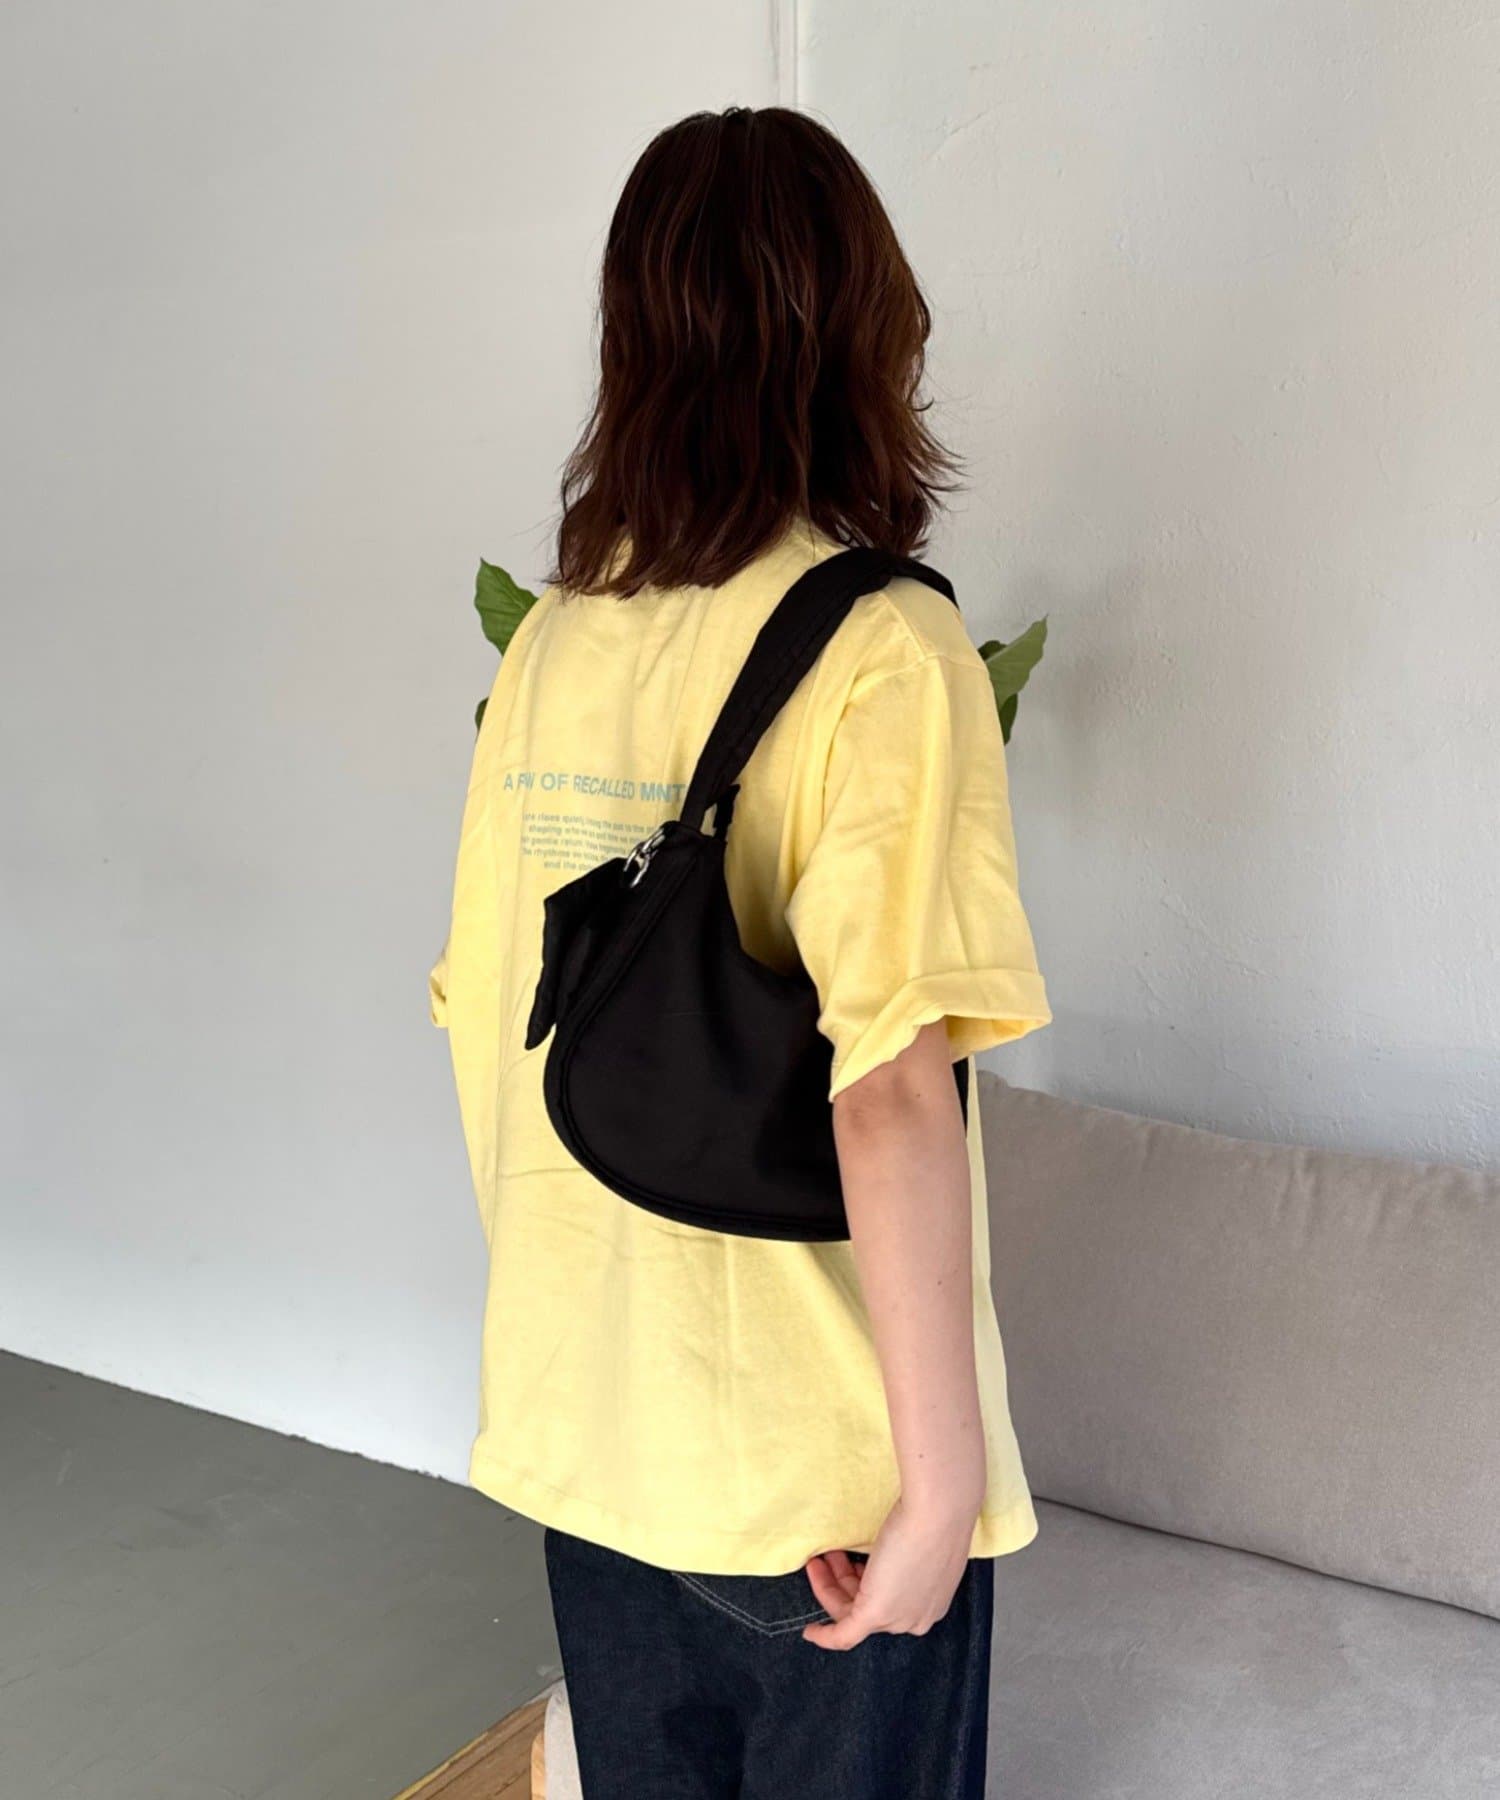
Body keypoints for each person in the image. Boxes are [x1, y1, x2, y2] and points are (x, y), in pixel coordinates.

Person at [429, 105, 1052, 1799]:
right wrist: (939, 1486)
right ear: (863, 329)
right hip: (815, 1471)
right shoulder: (886, 644)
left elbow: (487, 1017)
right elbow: (891, 1091)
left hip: (585, 1426)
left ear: (634, 337)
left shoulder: (555, 643)